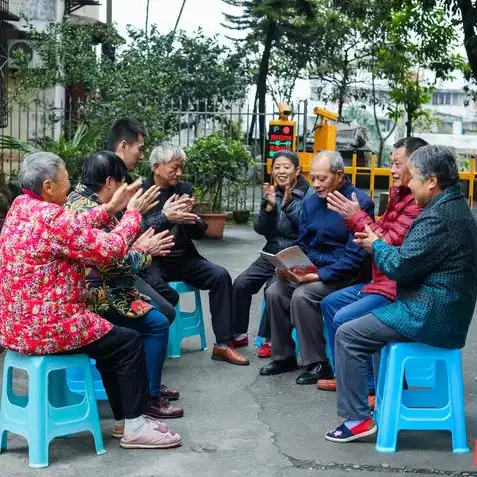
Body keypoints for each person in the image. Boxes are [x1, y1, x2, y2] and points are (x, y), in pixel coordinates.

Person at [0, 152, 181, 449]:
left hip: (15, 328)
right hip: (50, 327)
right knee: (128, 342)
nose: (71, 187)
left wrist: (109, 208)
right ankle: (135, 425)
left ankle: (126, 421)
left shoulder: (22, 206)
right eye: (65, 181)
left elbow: (73, 226)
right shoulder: (52, 217)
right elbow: (109, 250)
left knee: (111, 339)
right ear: (48, 186)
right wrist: (132, 213)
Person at [326, 145, 477, 443]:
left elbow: (399, 266)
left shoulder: (437, 218)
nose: (409, 182)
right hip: (446, 310)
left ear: (432, 181)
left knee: (348, 333)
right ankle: (386, 401)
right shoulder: (457, 207)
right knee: (359, 324)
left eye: (415, 177)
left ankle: (357, 419)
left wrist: (374, 244)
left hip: (428, 313)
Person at [66, 151, 184, 430]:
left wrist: (137, 239)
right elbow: (114, 264)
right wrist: (145, 250)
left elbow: (116, 245)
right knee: (155, 324)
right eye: (122, 184)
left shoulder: (79, 201)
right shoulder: (91, 210)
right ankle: (148, 400)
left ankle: (146, 387)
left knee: (162, 310)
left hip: (100, 287)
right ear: (109, 182)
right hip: (94, 296)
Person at [318, 137, 427, 394]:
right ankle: (347, 372)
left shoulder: (416, 203)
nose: (391, 170)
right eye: (390, 163)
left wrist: (356, 216)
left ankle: (366, 387)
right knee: (330, 303)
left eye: (396, 164)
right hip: (379, 279)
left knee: (345, 317)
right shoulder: (398, 194)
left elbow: (387, 243)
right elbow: (379, 235)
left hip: (393, 285)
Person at [259, 151, 374, 380]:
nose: (316, 184)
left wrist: (319, 275)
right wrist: (289, 263)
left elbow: (354, 258)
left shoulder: (359, 202)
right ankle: (283, 357)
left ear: (339, 175)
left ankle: (319, 363)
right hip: (311, 267)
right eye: (313, 178)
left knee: (303, 295)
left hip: (344, 274)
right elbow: (302, 241)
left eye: (322, 179)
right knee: (274, 290)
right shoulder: (312, 202)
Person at [140, 142, 250, 366]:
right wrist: (168, 216)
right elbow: (138, 230)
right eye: (174, 168)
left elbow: (199, 233)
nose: (179, 173)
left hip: (183, 257)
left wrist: (191, 218)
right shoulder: (142, 193)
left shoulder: (184, 189)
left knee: (220, 276)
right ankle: (153, 348)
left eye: (181, 167)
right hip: (153, 259)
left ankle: (223, 345)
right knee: (163, 295)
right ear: (156, 166)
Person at [232, 150, 313, 357]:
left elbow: (307, 228)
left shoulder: (309, 195)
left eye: (286, 167)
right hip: (271, 253)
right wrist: (268, 209)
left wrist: (287, 205)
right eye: (277, 167)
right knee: (241, 283)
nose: (281, 171)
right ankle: (239, 333)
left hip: (294, 255)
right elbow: (261, 229)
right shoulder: (273, 192)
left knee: (272, 289)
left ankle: (270, 339)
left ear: (297, 169)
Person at [105, 118, 180, 321]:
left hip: (131, 261)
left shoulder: (126, 180)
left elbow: (130, 229)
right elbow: (113, 240)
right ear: (123, 146)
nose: (142, 156)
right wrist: (162, 217)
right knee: (163, 313)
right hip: (109, 275)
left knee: (169, 301)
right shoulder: (110, 181)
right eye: (140, 149)